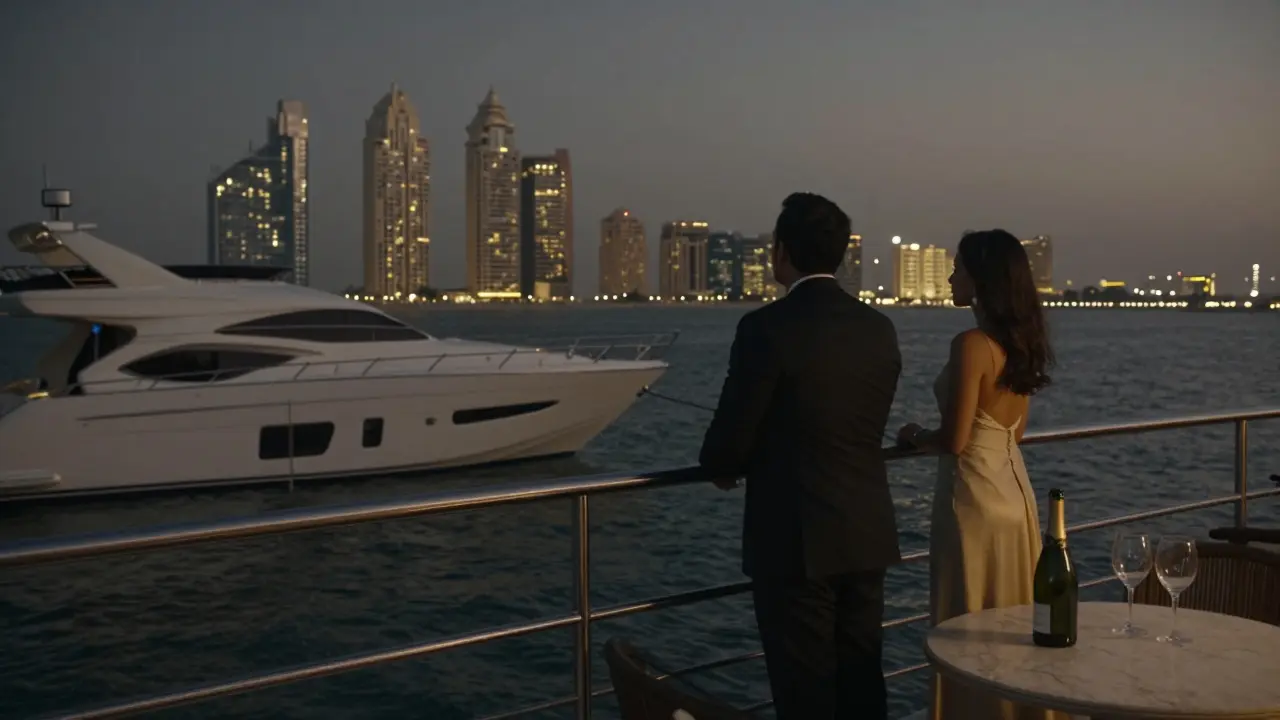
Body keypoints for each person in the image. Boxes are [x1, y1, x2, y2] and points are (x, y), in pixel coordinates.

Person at [699, 192, 902, 719]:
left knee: (804, 693)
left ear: (781, 251)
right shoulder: (878, 328)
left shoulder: (764, 329)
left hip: (795, 543)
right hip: (865, 533)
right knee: (862, 686)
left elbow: (726, 448)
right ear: (839, 254)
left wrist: (728, 468)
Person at [897, 229, 1065, 720]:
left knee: (967, 622)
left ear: (982, 279)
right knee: (1012, 620)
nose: (950, 277)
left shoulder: (971, 344)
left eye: (959, 269)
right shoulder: (1018, 343)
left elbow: (955, 439)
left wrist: (911, 435)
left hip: (973, 500)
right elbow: (1015, 432)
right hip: (1015, 497)